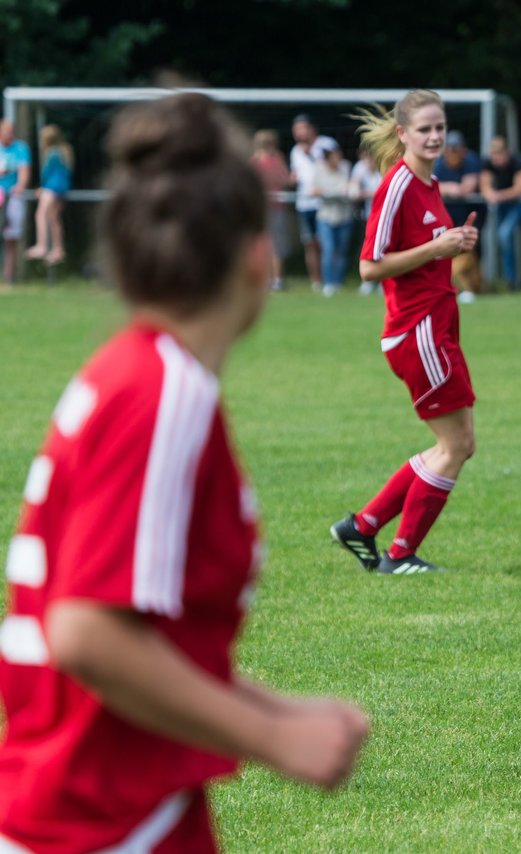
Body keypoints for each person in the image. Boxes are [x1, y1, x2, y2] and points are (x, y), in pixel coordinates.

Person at [0, 92, 368, 852]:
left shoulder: (147, 378)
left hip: (133, 801)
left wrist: (278, 712)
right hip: (97, 818)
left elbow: (151, 639)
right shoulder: (159, 393)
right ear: (255, 255)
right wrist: (273, 741)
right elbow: (87, 633)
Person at [331, 89, 480, 576]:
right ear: (403, 134)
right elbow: (369, 268)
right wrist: (439, 248)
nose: (435, 136)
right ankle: (398, 554)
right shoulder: (397, 186)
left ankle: (364, 526)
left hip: (434, 326)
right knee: (456, 446)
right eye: (425, 129)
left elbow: (428, 249)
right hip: (416, 331)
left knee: (454, 444)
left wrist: (455, 243)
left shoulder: (429, 184)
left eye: (440, 127)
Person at [434, 130, 484, 302]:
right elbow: (433, 186)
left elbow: (466, 188)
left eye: (456, 149)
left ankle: (471, 288)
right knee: (450, 257)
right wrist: (451, 188)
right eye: (450, 149)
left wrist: (447, 187)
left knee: (467, 255)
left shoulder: (471, 160)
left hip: (470, 218)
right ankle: (463, 288)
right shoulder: (439, 163)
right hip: (448, 219)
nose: (453, 153)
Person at [289, 114, 337, 292]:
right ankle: (316, 282)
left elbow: (336, 166)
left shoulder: (326, 144)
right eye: (296, 130)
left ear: (312, 129)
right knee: (310, 243)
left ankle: (331, 281)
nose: (299, 133)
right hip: (304, 204)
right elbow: (295, 175)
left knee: (326, 243)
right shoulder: (295, 151)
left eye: (302, 129)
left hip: (324, 204)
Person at [480, 134, 521, 290]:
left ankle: (512, 280)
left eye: (498, 154)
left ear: (506, 152)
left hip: (517, 205)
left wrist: (497, 196)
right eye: (493, 154)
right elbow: (485, 185)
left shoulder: (518, 161)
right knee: (501, 239)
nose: (495, 159)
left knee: (504, 235)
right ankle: (508, 279)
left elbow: (519, 189)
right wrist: (489, 194)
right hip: (501, 206)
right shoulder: (488, 163)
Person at [25, 124, 73, 267]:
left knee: (40, 214)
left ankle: (42, 246)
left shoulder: (51, 154)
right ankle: (58, 249)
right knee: (54, 217)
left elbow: (47, 174)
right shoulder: (65, 151)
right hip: (63, 188)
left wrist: (43, 188)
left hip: (51, 188)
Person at [312, 139, 355, 297]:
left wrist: (330, 192)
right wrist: (334, 192)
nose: (337, 158)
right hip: (325, 216)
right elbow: (315, 190)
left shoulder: (346, 166)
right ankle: (328, 283)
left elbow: (348, 189)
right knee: (328, 250)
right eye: (334, 156)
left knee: (341, 251)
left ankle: (338, 282)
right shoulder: (318, 168)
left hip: (344, 216)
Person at [250, 128, 291, 291]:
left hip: (272, 207)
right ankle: (272, 279)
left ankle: (273, 279)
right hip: (264, 208)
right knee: (269, 244)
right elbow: (284, 179)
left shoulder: (258, 161)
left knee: (271, 244)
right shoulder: (259, 161)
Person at [349, 144, 384, 295]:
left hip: (385, 217)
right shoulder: (359, 168)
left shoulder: (384, 167)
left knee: (385, 250)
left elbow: (384, 191)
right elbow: (354, 193)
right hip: (368, 217)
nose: (368, 160)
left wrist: (367, 193)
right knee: (368, 250)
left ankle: (384, 282)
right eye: (366, 157)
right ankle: (367, 282)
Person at [0, 119, 32, 284]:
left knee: (11, 237)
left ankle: (9, 276)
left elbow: (24, 172)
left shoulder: (20, 148)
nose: (9, 135)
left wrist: (20, 186)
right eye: (6, 132)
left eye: (11, 132)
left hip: (12, 196)